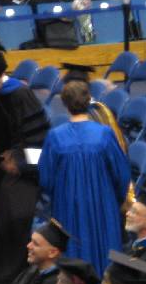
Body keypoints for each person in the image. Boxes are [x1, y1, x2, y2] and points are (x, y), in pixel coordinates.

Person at [39, 79, 129, 274]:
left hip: (67, 204)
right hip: (102, 202)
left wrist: (58, 197)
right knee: (105, 248)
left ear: (64, 103)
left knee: (73, 248)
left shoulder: (55, 136)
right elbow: (121, 173)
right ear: (89, 101)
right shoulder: (104, 134)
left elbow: (46, 178)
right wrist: (115, 200)